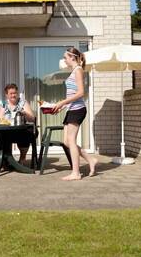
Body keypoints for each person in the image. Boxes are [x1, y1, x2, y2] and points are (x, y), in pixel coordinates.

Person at [52, 47, 98, 181]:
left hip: (77, 109)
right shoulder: (74, 71)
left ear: (72, 57)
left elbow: (81, 93)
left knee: (71, 141)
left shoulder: (78, 70)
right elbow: (72, 93)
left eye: (65, 57)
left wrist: (62, 102)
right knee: (66, 141)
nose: (64, 60)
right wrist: (62, 106)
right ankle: (91, 159)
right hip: (71, 109)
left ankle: (76, 173)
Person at [0, 83, 36, 165]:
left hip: (21, 130)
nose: (13, 95)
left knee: (26, 134)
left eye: (15, 93)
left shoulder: (23, 103)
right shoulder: (4, 104)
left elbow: (32, 119)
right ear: (6, 95)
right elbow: (0, 119)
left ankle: (22, 158)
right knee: (1, 135)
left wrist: (25, 113)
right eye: (11, 93)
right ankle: (6, 159)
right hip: (8, 130)